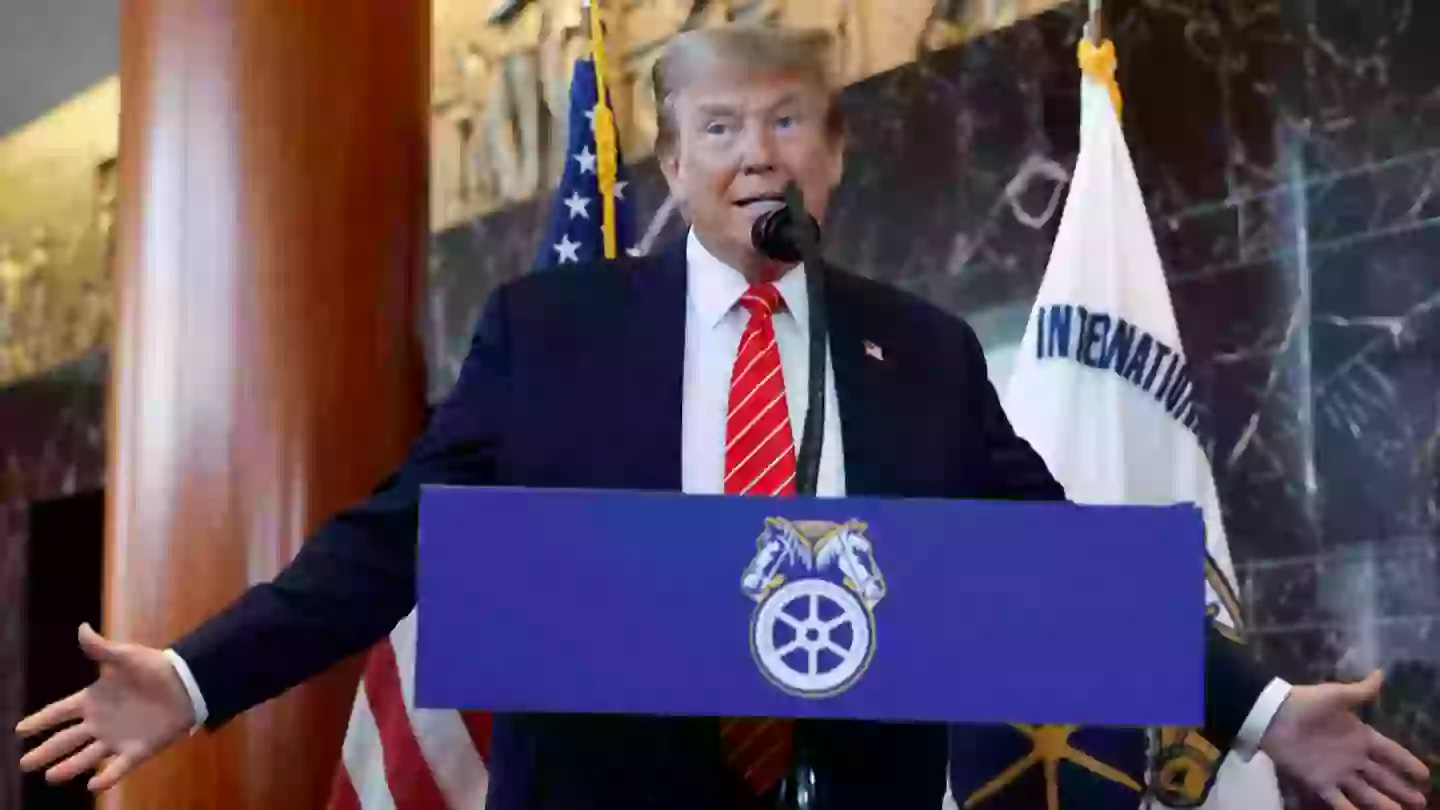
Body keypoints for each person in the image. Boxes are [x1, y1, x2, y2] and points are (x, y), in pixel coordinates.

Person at [16, 24, 1430, 810]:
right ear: (671, 160)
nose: (758, 151)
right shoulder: (552, 331)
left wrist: (1263, 711)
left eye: (790, 120)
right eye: (720, 126)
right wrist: (192, 679)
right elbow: (392, 541)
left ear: (837, 150)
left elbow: (1058, 570)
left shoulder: (923, 352)